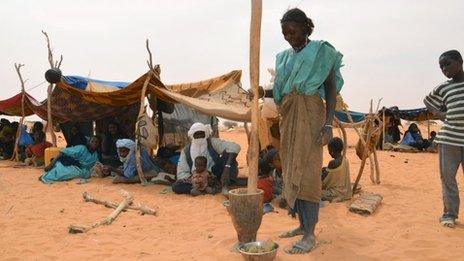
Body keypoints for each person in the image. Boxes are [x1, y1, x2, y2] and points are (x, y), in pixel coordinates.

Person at [259, 8, 343, 254]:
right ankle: (301, 224)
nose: (288, 37)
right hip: (289, 116)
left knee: (307, 173)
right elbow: (280, 91)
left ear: (306, 28)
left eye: (292, 32)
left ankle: (310, 233)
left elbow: (330, 90)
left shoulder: (321, 52)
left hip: (310, 113)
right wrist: (259, 92)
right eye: (284, 33)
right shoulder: (283, 57)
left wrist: (328, 124)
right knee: (292, 169)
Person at [424, 50, 464, 228]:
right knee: (448, 178)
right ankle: (449, 214)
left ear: (460, 61)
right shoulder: (444, 87)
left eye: (447, 64)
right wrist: (440, 114)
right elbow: (428, 101)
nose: (444, 68)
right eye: (441, 66)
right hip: (449, 139)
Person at [172, 122, 241, 195]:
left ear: (205, 134)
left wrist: (227, 167)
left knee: (229, 154)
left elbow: (235, 147)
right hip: (195, 179)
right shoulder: (186, 150)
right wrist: (195, 179)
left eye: (201, 134)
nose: (199, 137)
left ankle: (224, 186)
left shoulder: (212, 142)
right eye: (197, 134)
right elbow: (181, 173)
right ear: (192, 136)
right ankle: (199, 190)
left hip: (213, 176)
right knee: (176, 186)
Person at [321, 137, 351, 202]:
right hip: (345, 192)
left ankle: (333, 199)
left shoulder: (332, 163)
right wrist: (326, 169)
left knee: (314, 193)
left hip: (335, 192)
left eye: (329, 150)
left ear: (331, 151)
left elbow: (323, 180)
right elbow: (337, 172)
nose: (329, 152)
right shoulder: (345, 160)